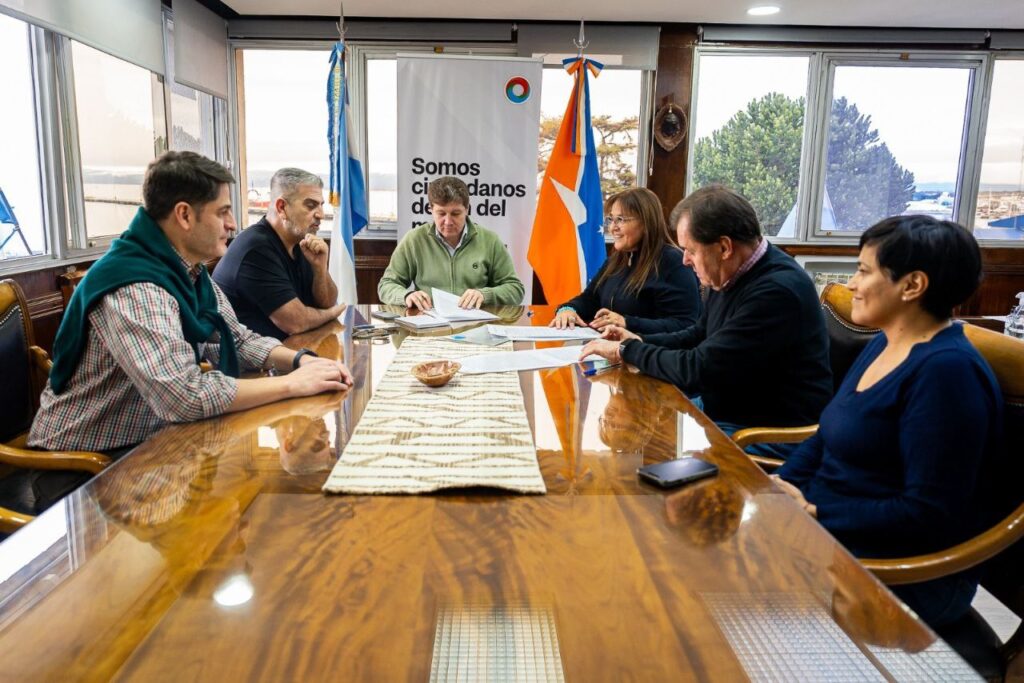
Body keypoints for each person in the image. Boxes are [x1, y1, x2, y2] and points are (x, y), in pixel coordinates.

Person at [29, 151, 353, 464]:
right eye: (222, 212)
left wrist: (302, 360)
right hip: (84, 461)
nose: (232, 224)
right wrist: (292, 384)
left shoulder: (187, 272)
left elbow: (238, 339)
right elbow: (183, 396)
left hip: (155, 440)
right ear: (184, 215)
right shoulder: (136, 285)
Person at [773, 215, 1003, 629]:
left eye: (864, 271)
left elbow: (926, 513)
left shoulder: (947, 373)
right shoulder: (885, 341)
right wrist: (779, 488)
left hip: (897, 572)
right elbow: (826, 437)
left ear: (912, 285)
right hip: (829, 539)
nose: (851, 284)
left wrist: (814, 511)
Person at [581, 184, 832, 458]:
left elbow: (698, 370)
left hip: (765, 431)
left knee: (653, 461)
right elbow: (697, 334)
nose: (685, 260)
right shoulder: (729, 272)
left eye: (690, 250)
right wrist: (638, 339)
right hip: (726, 409)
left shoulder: (776, 292)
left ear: (724, 247)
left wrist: (627, 351)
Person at [213, 168, 346, 339]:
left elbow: (326, 302)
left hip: (285, 346)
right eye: (311, 205)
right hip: (248, 354)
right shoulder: (256, 248)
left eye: (321, 205)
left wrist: (320, 268)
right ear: (281, 207)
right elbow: (296, 322)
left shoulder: (299, 241)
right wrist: (332, 313)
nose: (321, 214)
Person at [550, 187, 701, 334]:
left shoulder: (674, 261)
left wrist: (627, 322)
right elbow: (590, 299)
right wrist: (567, 309)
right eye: (611, 219)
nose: (612, 227)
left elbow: (685, 323)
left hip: (649, 350)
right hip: (608, 347)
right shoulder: (615, 261)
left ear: (646, 223)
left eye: (620, 220)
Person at [377, 176, 525, 309]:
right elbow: (386, 285)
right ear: (431, 209)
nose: (448, 221)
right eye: (441, 213)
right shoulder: (414, 240)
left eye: (455, 213)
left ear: (467, 209)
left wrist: (485, 295)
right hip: (429, 324)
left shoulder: (490, 241)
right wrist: (406, 296)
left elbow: (515, 289)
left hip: (476, 323)